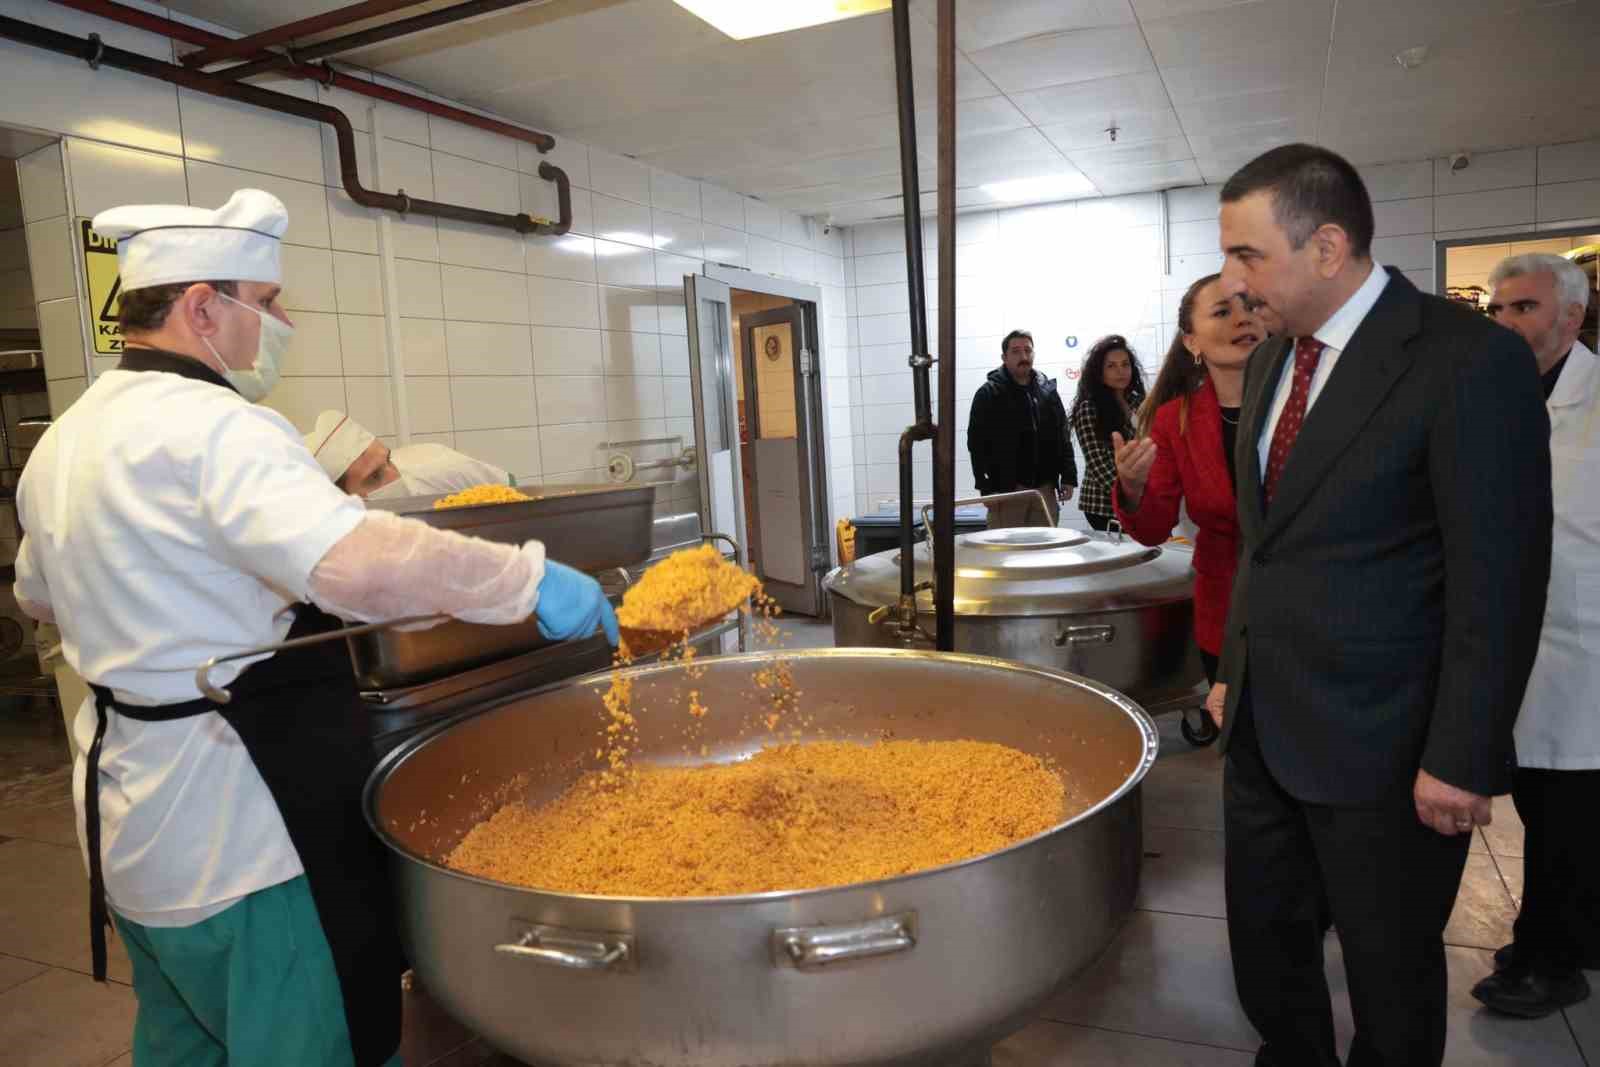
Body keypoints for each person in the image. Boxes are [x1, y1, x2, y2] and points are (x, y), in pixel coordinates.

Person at [10, 189, 617, 1067]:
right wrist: (527, 579)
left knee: (184, 1037)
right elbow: (360, 561)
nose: (279, 322)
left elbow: (39, 594)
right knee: (304, 1038)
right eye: (266, 302)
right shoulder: (218, 427)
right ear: (202, 306)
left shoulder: (66, 438)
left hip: (130, 827)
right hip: (243, 835)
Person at [1211, 145, 1552, 1067]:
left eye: (1248, 256)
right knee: (1269, 952)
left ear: (1326, 246)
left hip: (1389, 749)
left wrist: (1462, 754)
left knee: (1388, 977)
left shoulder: (1464, 359)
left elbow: (1501, 576)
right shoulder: (1277, 357)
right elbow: (1269, 542)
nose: (1233, 282)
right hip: (1263, 729)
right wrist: (1230, 677)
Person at [1470, 252, 1600, 1016]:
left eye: (1523, 308)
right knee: (1546, 808)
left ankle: (1554, 963)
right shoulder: (1500, 394)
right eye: (1499, 308)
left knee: (1570, 815)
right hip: (1523, 640)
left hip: (1583, 651)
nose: (1505, 321)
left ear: (1572, 317)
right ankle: (1556, 935)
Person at [1111, 275, 1261, 688]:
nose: (1242, 319)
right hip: (1225, 615)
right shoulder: (1174, 420)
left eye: (1251, 307)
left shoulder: (1306, 405)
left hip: (1314, 614)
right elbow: (1154, 528)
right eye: (1222, 311)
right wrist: (1133, 487)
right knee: (1241, 744)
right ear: (1192, 342)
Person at [967, 329, 1076, 528]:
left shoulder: (1047, 390)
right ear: (1004, 357)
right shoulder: (989, 393)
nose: (1023, 356)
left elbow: (1063, 434)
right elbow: (976, 444)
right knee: (1006, 553)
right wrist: (985, 488)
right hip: (1007, 491)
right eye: (1016, 351)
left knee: (1044, 551)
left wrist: (1069, 476)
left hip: (1045, 489)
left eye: (1028, 350)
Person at [305, 409, 513, 499]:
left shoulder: (440, 468)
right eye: (375, 476)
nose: (395, 476)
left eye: (389, 459)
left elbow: (511, 491)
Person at [1070, 335, 1146, 531]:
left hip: (1142, 497)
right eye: (1111, 366)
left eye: (1125, 364)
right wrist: (1136, 496)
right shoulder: (1089, 408)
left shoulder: (1139, 401)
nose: (1120, 371)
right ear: (1099, 372)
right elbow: (1101, 467)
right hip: (1104, 504)